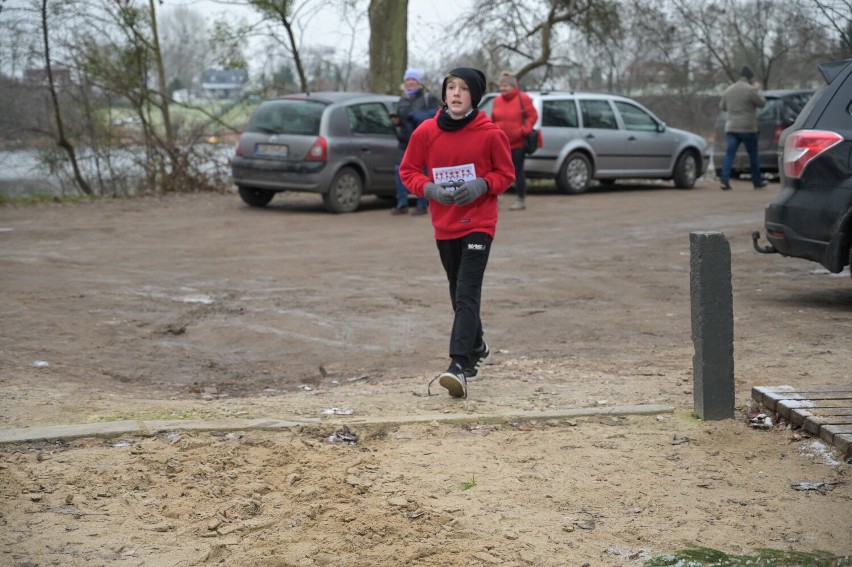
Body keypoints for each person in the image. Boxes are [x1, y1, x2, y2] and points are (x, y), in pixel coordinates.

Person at [400, 67, 515, 399]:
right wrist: (431, 190)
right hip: (445, 224)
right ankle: (477, 344)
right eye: (451, 87)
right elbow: (408, 171)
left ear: (474, 96)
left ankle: (458, 366)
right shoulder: (426, 132)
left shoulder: (490, 133)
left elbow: (505, 174)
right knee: (456, 291)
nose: (456, 93)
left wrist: (482, 185)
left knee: (466, 292)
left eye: (464, 89)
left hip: (479, 222)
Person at [390, 68, 440, 215]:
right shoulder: (402, 99)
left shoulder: (427, 98)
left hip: (422, 142)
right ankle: (402, 203)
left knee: (421, 173)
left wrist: (414, 116)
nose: (410, 82)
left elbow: (435, 115)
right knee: (399, 171)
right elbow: (402, 119)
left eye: (413, 80)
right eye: (408, 80)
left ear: (419, 83)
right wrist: (397, 121)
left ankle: (422, 204)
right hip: (404, 141)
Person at [490, 71, 538, 210]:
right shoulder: (496, 100)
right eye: (501, 86)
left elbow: (533, 116)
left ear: (513, 86)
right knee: (496, 171)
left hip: (518, 143)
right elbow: (494, 118)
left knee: (517, 171)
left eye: (505, 86)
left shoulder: (523, 98)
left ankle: (520, 199)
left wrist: (524, 130)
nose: (502, 88)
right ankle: (494, 198)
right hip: (500, 144)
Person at [719, 66, 767, 190]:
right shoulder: (750, 90)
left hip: (731, 127)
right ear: (750, 78)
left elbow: (723, 107)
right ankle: (756, 181)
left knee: (730, 154)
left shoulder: (729, 89)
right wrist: (758, 90)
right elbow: (762, 103)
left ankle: (724, 179)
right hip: (748, 128)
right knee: (753, 155)